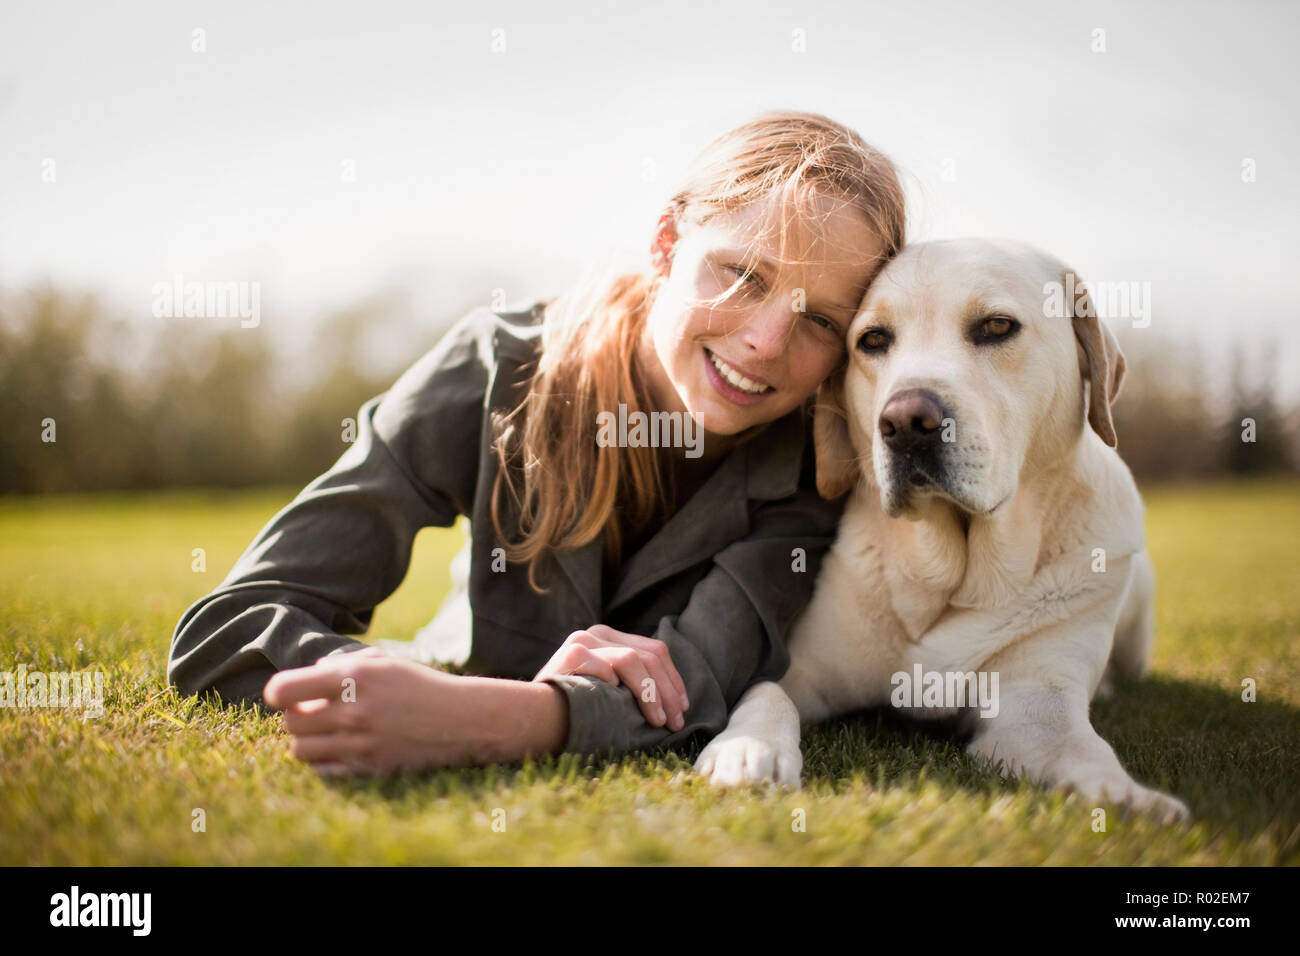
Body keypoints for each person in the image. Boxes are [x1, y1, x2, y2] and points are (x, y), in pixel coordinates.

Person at [166, 110, 906, 775]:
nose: (765, 342)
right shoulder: (496, 369)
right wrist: (380, 684)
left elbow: (699, 683)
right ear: (666, 243)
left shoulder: (823, 468)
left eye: (818, 322)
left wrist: (487, 717)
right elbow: (229, 628)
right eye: (742, 274)